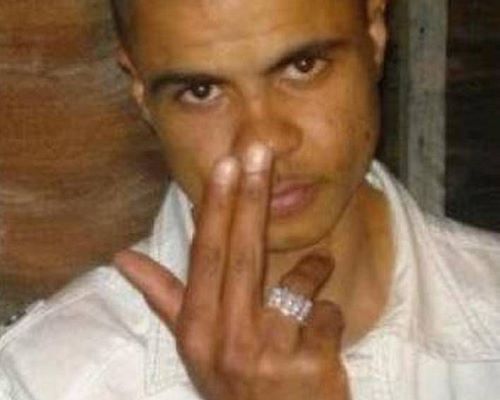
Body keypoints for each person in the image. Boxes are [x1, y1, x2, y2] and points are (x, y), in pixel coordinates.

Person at [1, 0, 499, 399]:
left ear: (374, 32)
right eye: (201, 91)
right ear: (140, 91)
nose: (262, 142)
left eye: (302, 66)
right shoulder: (48, 381)